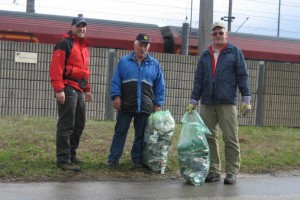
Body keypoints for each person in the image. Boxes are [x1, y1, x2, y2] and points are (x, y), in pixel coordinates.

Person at [187, 22, 251, 184]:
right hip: (207, 102)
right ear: (211, 36)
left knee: (230, 138)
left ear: (226, 35)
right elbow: (199, 80)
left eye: (220, 33)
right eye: (214, 33)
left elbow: (242, 76)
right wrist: (193, 100)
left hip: (227, 102)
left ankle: (231, 172)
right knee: (208, 137)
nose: (217, 36)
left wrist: (246, 99)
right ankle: (214, 170)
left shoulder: (234, 52)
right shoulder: (205, 55)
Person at [106, 33, 166, 168]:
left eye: (146, 45)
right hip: (126, 104)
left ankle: (137, 160)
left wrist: (157, 103)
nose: (143, 48)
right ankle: (113, 159)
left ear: (149, 47)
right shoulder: (124, 61)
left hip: (145, 105)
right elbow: (116, 81)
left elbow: (160, 86)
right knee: (120, 132)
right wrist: (116, 96)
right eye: (140, 45)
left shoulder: (155, 64)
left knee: (141, 134)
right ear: (135, 45)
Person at [49, 14, 92, 172]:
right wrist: (59, 90)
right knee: (66, 125)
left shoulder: (84, 47)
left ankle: (72, 155)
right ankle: (63, 159)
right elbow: (56, 68)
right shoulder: (64, 44)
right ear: (72, 27)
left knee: (79, 124)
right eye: (79, 26)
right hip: (67, 87)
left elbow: (85, 71)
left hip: (80, 89)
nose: (82, 28)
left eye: (84, 26)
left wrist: (87, 89)